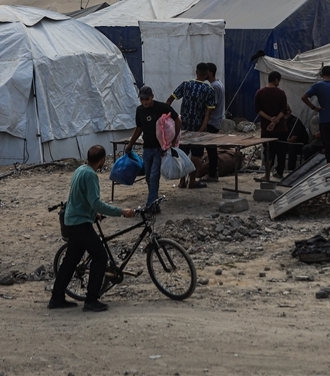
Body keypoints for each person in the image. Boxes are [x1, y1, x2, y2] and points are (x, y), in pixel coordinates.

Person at [49, 145, 136, 312]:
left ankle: (57, 297)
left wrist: (93, 213)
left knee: (71, 260)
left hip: (72, 220)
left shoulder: (80, 169)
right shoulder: (90, 175)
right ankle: (91, 299)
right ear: (102, 160)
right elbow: (95, 202)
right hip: (80, 223)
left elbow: (80, 197)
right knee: (100, 256)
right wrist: (121, 211)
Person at [123, 86, 179, 215]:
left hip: (159, 149)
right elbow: (139, 128)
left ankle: (149, 206)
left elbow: (177, 119)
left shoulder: (161, 108)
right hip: (147, 148)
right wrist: (130, 144)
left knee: (154, 177)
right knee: (148, 177)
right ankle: (155, 204)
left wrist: (174, 139)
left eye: (146, 99)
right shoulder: (140, 110)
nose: (144, 102)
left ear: (152, 97)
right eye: (142, 100)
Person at [168, 62, 216, 189]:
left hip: (183, 126)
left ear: (196, 72)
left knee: (182, 153)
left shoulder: (186, 84)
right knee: (196, 154)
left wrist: (171, 119)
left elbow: (170, 99)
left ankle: (182, 180)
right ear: (206, 75)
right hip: (198, 126)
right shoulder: (209, 90)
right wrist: (202, 129)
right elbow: (208, 113)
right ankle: (193, 180)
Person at [255, 71, 292, 179]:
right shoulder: (281, 93)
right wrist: (275, 120)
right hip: (280, 127)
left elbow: (258, 110)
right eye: (279, 80)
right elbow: (283, 110)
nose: (279, 83)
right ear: (276, 80)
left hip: (266, 129)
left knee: (268, 152)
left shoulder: (259, 92)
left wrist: (269, 119)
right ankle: (279, 173)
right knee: (281, 151)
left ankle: (266, 174)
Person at [203, 62, 225, 182]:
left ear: (210, 73)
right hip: (216, 120)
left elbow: (213, 106)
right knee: (212, 148)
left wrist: (204, 117)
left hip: (212, 121)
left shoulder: (214, 87)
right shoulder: (218, 83)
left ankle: (212, 174)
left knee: (211, 149)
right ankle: (212, 172)